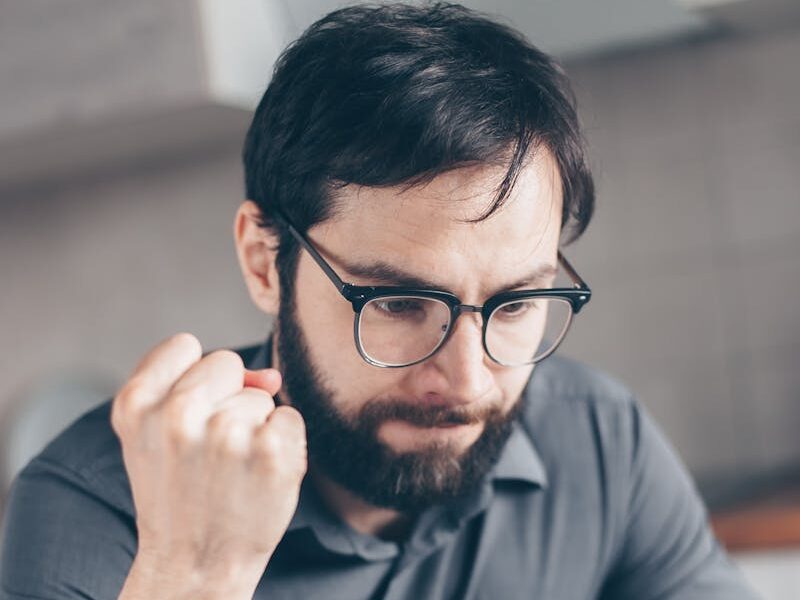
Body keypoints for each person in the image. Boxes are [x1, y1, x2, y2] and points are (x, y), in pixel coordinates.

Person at [0, 3, 757, 599]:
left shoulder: (600, 443)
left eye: (516, 306)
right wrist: (195, 577)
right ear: (266, 262)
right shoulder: (101, 509)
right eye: (397, 305)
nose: (466, 381)